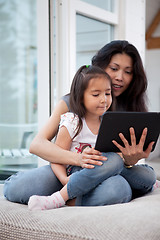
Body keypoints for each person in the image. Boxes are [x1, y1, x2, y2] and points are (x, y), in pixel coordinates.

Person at [3, 40, 156, 205]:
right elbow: (37, 145)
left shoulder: (131, 109)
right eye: (114, 68)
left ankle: (69, 198)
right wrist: (78, 159)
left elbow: (120, 162)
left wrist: (129, 160)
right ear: (99, 67)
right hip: (71, 169)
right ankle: (68, 194)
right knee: (16, 188)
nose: (120, 77)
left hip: (109, 173)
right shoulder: (72, 104)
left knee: (121, 188)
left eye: (128, 71)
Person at [28, 65, 127, 210]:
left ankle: (71, 200)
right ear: (80, 97)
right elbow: (56, 157)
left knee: (146, 175)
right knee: (116, 164)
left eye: (107, 93)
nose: (104, 100)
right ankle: (58, 198)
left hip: (102, 172)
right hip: (75, 172)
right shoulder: (73, 122)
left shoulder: (109, 122)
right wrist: (64, 179)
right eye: (96, 95)